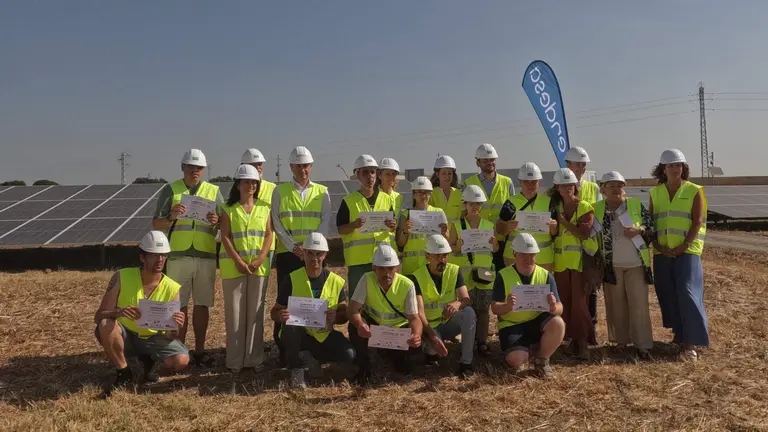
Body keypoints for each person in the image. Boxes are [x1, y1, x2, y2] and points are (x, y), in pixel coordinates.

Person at [93, 231, 188, 398]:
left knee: (181, 361)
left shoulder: (172, 288)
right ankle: (124, 371)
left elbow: (171, 335)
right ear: (142, 258)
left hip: (153, 337)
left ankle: (148, 363)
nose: (160, 260)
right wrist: (118, 312)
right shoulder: (122, 277)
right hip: (126, 335)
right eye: (154, 255)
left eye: (163, 255)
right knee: (105, 324)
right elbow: (99, 316)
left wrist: (176, 325)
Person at [151, 149, 223, 367]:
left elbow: (224, 223)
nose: (195, 171)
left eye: (199, 167)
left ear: (203, 170)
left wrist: (216, 221)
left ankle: (200, 351)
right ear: (183, 167)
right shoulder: (170, 190)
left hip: (205, 256)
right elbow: (156, 223)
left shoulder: (213, 191)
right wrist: (171, 216)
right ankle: (179, 350)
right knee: (178, 306)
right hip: (178, 256)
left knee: (202, 305)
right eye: (191, 167)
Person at [271, 233, 355, 388]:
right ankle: (296, 369)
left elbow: (344, 315)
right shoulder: (291, 278)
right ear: (303, 254)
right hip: (299, 335)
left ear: (325, 255)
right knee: (290, 327)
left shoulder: (336, 281)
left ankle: (313, 360)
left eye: (319, 254)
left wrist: (335, 318)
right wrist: (280, 316)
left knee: (349, 355)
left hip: (323, 333)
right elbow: (274, 312)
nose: (315, 258)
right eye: (310, 253)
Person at [649, 149, 709, 361]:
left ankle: (691, 342)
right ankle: (679, 333)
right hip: (662, 251)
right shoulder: (655, 193)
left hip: (688, 251)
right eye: (670, 165)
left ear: (684, 168)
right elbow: (651, 223)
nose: (675, 169)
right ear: (663, 170)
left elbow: (697, 221)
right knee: (667, 293)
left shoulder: (694, 190)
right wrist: (657, 244)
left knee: (687, 292)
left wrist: (683, 246)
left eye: (678, 165)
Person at [219, 164, 274, 372]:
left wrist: (260, 259)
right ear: (238, 184)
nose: (250, 185)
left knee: (255, 316)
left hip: (258, 268)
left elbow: (269, 234)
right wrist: (239, 262)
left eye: (254, 182)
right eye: (246, 181)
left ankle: (254, 359)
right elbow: (225, 236)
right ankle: (234, 362)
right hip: (234, 268)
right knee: (235, 315)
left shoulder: (264, 207)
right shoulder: (228, 209)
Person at [594, 171, 654, 359]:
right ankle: (620, 342)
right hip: (612, 266)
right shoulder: (596, 209)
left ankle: (642, 345)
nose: (616, 189)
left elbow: (651, 227)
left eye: (619, 185)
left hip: (636, 264)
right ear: (603, 189)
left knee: (639, 305)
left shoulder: (635, 205)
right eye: (611, 186)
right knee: (616, 306)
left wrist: (640, 229)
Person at [491, 234, 565, 379]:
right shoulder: (503, 275)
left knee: (558, 323)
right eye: (523, 255)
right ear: (514, 254)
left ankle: (542, 361)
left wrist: (552, 307)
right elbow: (494, 308)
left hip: (537, 321)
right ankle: (526, 350)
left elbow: (560, 307)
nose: (528, 259)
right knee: (517, 359)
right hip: (512, 325)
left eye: (532, 255)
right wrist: (507, 306)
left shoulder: (545, 275)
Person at [347, 243, 423, 383]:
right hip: (373, 327)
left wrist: (416, 335)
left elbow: (414, 317)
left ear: (397, 268)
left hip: (398, 331)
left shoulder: (407, 284)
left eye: (390, 268)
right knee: (353, 328)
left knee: (405, 364)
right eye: (381, 268)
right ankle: (364, 366)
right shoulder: (366, 279)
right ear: (374, 268)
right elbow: (352, 310)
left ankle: (392, 355)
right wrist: (360, 324)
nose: (386, 273)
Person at [411, 234, 476, 378]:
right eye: (438, 256)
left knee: (469, 312)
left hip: (448, 323)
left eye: (445, 256)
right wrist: (432, 335)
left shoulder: (454, 270)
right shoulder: (417, 276)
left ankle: (466, 363)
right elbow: (419, 313)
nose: (443, 260)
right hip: (429, 327)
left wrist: (458, 302)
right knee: (432, 351)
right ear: (428, 256)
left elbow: (466, 299)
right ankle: (430, 352)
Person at [550, 168, 598, 360]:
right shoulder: (555, 207)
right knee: (566, 303)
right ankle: (572, 341)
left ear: (575, 186)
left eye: (569, 185)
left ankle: (584, 342)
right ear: (557, 188)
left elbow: (583, 233)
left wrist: (562, 222)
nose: (566, 188)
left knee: (580, 304)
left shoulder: (585, 207)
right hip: (560, 263)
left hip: (579, 263)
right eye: (562, 185)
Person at [271, 146, 332, 288]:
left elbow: (325, 221)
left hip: (315, 254)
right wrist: (293, 247)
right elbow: (277, 222)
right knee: (287, 298)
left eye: (305, 166)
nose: (302, 169)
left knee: (314, 296)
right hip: (288, 253)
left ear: (311, 166)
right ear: (291, 167)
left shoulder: (322, 192)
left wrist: (310, 247)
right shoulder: (279, 191)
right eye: (298, 166)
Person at [447, 184, 498, 356]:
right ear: (465, 205)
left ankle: (482, 342)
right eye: (471, 203)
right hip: (464, 276)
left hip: (484, 275)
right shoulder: (456, 225)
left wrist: (495, 244)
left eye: (478, 203)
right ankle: (468, 341)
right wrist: (458, 247)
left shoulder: (488, 224)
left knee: (483, 311)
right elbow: (451, 248)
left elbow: (495, 249)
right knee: (467, 311)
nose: (475, 206)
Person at [337, 154, 397, 295]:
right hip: (358, 262)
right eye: (365, 172)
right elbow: (340, 229)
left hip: (382, 260)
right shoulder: (348, 201)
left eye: (372, 171)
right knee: (358, 300)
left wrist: (393, 225)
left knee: (381, 300)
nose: (370, 176)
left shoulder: (387, 199)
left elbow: (393, 227)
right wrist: (353, 225)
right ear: (357, 174)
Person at [565, 146, 601, 340]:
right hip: (567, 249)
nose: (580, 168)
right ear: (568, 164)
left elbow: (599, 215)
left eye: (583, 165)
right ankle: (571, 330)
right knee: (570, 290)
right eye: (577, 164)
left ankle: (590, 329)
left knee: (590, 287)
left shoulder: (592, 187)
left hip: (588, 246)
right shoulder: (561, 184)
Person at [463, 143, 516, 273]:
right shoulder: (468, 183)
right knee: (482, 278)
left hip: (501, 240)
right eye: (485, 160)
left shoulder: (507, 182)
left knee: (501, 277)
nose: (489, 162)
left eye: (492, 159)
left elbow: (515, 210)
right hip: (477, 240)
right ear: (478, 163)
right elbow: (465, 212)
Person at [503, 162, 558, 271]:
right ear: (520, 182)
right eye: (526, 182)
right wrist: (506, 227)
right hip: (515, 257)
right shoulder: (511, 203)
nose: (530, 185)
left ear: (539, 182)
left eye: (533, 182)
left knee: (541, 287)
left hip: (544, 258)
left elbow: (556, 232)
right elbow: (500, 229)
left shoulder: (548, 202)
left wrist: (554, 226)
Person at [396, 176, 448, 275]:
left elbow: (448, 240)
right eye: (419, 192)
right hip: (411, 266)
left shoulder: (438, 213)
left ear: (430, 194)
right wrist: (405, 231)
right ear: (414, 194)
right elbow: (400, 244)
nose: (423, 195)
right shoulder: (406, 214)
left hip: (432, 265)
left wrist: (444, 232)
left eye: (426, 192)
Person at [241, 148, 278, 280]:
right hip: (243, 244)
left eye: (259, 164)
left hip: (266, 244)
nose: (257, 167)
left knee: (262, 284)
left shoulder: (273, 189)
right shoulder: (238, 188)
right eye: (253, 164)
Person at [429, 155, 463, 224]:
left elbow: (462, 218)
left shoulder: (459, 194)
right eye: (444, 173)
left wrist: (463, 233)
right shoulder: (431, 194)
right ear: (437, 174)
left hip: (455, 233)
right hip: (437, 234)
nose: (447, 176)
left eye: (450, 173)